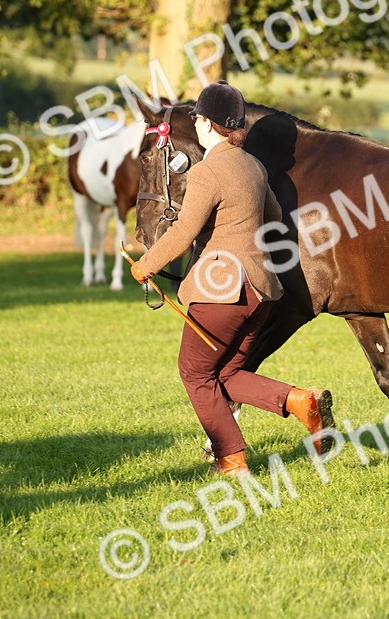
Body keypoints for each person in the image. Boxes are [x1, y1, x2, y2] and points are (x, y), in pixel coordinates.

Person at [129, 81, 334, 476]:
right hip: (260, 292)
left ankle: (232, 460)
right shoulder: (254, 166)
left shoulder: (207, 172)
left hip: (219, 290)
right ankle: (299, 401)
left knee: (194, 372)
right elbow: (273, 219)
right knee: (226, 374)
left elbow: (183, 231)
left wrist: (146, 264)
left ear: (205, 124)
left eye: (200, 120)